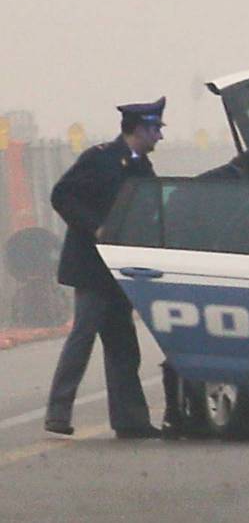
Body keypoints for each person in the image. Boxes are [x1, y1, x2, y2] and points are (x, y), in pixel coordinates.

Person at [43, 97, 167, 439]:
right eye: (155, 129)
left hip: (121, 269)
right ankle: (58, 412)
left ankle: (131, 420)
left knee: (123, 345)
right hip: (91, 267)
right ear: (139, 128)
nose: (159, 136)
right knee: (82, 338)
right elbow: (62, 195)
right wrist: (94, 227)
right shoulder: (99, 159)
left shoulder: (141, 167)